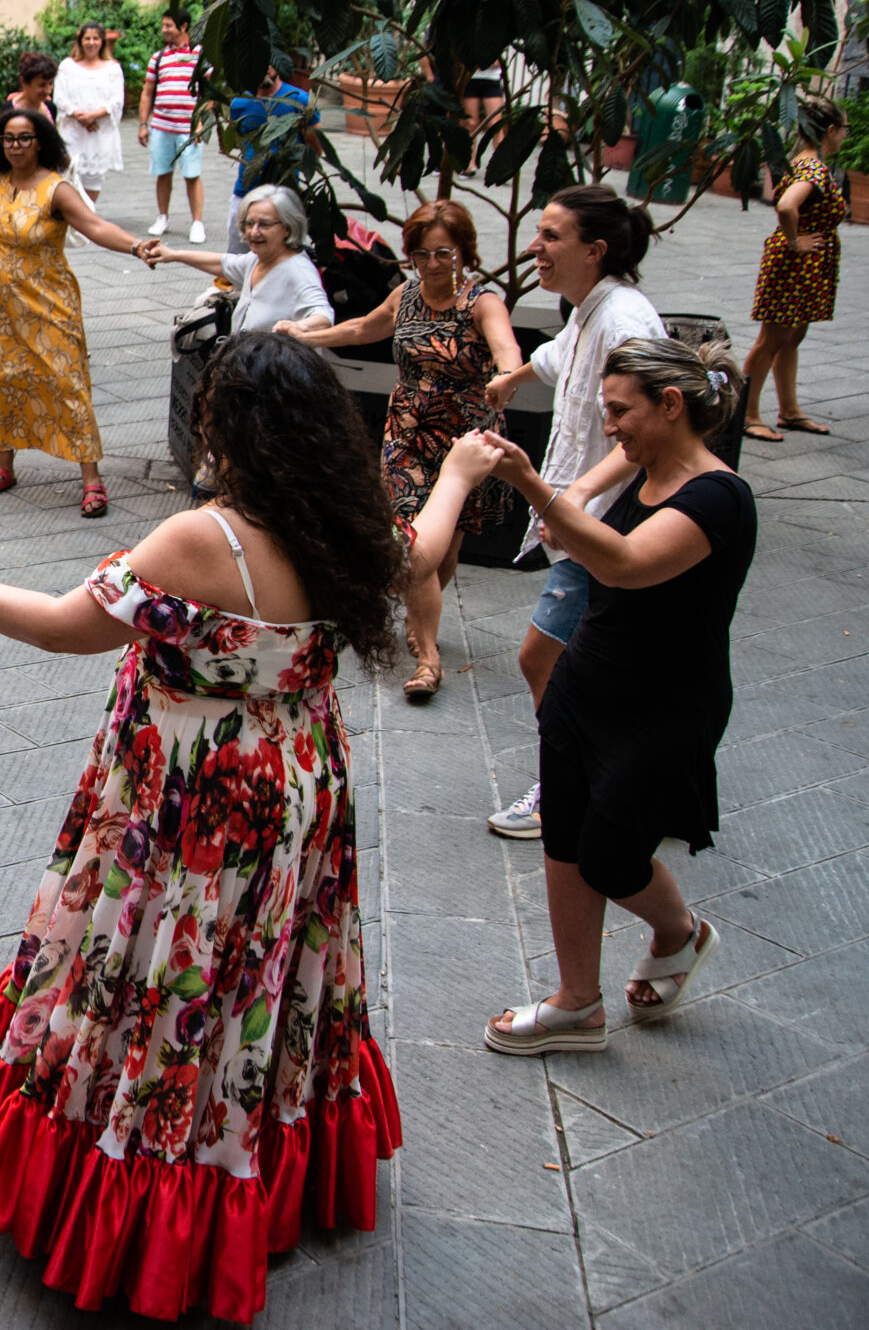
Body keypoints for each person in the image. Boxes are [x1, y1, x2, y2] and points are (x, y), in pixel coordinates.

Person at [0, 333, 492, 1323]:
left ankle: (142, 1173)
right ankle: (257, 1143)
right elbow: (416, 552)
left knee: (164, 969)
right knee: (261, 967)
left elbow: (59, 623)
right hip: (297, 780)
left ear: (231, 426)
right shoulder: (342, 516)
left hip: (196, 791)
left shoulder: (203, 538)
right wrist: (457, 469)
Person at [472, 338, 756, 1055]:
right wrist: (556, 498)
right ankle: (577, 1003)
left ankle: (679, 931)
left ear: (672, 405)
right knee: (565, 838)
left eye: (621, 411)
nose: (612, 426)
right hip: (586, 682)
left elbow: (627, 565)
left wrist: (535, 487)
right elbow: (584, 508)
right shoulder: (642, 459)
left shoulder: (719, 495)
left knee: (610, 854)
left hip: (663, 704)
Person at [483, 184, 663, 839]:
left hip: (605, 525)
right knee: (608, 666)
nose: (536, 246)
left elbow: (648, 430)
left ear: (596, 249)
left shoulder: (626, 321)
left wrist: (580, 495)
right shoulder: (592, 308)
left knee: (541, 657)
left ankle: (566, 784)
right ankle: (633, 779)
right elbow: (559, 358)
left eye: (551, 236)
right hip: (585, 522)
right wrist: (513, 378)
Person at [287, 199, 520, 697]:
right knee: (414, 543)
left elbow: (507, 350)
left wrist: (506, 376)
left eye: (444, 254)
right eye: (421, 254)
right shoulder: (407, 294)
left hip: (463, 441)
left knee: (444, 549)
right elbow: (364, 328)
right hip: (407, 434)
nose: (432, 264)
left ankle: (419, 621)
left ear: (464, 252)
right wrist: (308, 340)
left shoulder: (483, 303)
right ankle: (429, 659)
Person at [0, 107, 155, 517]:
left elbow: (94, 226)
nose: (15, 146)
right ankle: (4, 467)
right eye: (8, 138)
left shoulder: (56, 189)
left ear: (40, 141)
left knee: (67, 382)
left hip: (48, 300)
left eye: (24, 138)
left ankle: (91, 480)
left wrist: (136, 246)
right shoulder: (0, 180)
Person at [742, 95, 848, 442]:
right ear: (830, 130)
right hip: (795, 263)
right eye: (844, 129)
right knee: (771, 339)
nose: (846, 135)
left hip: (805, 266)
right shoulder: (814, 168)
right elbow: (787, 206)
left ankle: (789, 410)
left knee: (790, 337)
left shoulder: (801, 161)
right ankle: (746, 414)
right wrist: (794, 242)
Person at [145, 189, 333, 337]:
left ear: (287, 228)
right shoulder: (258, 259)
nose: (254, 232)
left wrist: (298, 327)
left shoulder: (297, 271)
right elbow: (223, 263)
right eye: (249, 224)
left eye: (264, 225)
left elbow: (323, 315)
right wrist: (174, 254)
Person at [226, 64, 317, 255]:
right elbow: (238, 141)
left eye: (268, 64)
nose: (264, 70)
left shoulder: (300, 100)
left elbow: (315, 148)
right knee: (237, 260)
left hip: (284, 193)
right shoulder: (240, 102)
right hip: (246, 191)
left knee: (284, 258)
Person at [139, 9, 207, 242]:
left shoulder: (199, 54)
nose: (164, 30)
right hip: (161, 126)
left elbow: (209, 94)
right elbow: (147, 92)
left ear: (184, 26)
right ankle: (162, 217)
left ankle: (197, 222)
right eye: (164, 25)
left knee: (192, 174)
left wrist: (201, 124)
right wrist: (142, 124)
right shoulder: (158, 58)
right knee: (162, 173)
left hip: (189, 129)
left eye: (169, 25)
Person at [54, 23, 125, 198]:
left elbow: (116, 101)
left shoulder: (112, 68)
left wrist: (93, 116)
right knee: (67, 179)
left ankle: (87, 219)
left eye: (95, 38)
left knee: (93, 182)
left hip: (97, 133)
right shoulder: (67, 66)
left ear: (102, 42)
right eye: (87, 38)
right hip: (74, 132)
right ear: (80, 41)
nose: (91, 42)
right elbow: (60, 97)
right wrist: (79, 116)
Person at [9, 53, 58, 125]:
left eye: (50, 83)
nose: (48, 91)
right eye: (42, 85)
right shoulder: (8, 111)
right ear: (24, 82)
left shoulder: (51, 108)